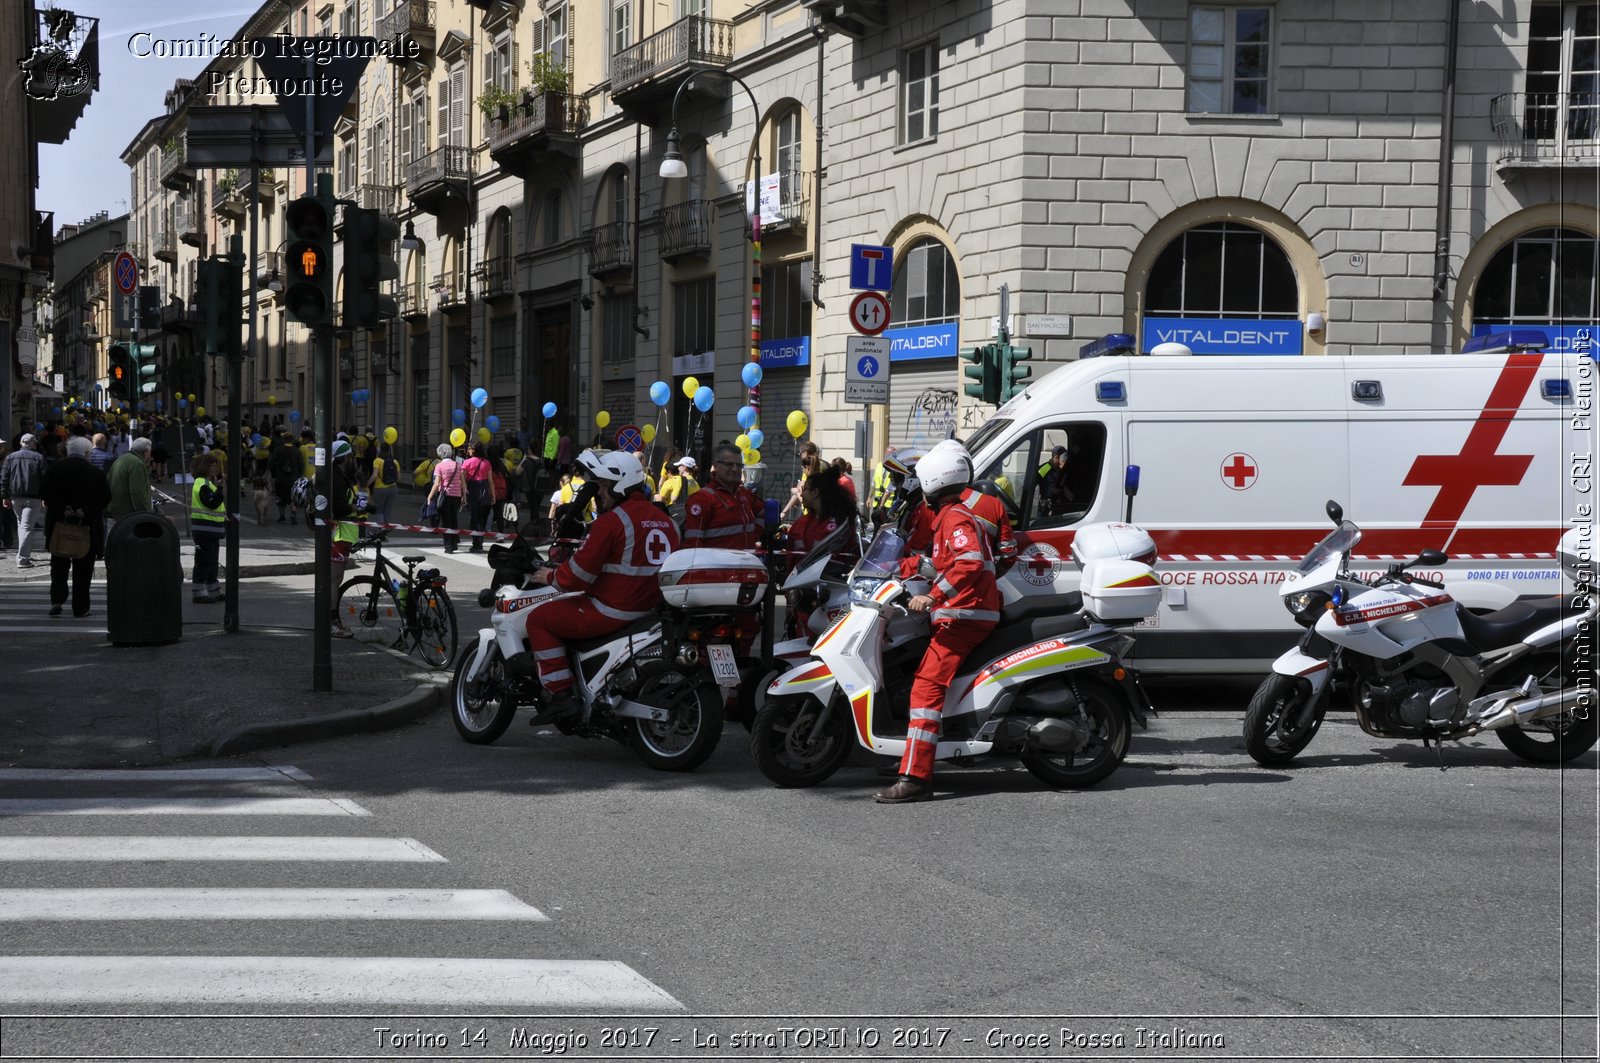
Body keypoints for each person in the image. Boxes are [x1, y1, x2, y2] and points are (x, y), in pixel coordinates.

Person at [507, 450, 679, 724]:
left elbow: (576, 576)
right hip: (650, 611)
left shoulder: (612, 521)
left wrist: (549, 577)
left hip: (612, 609)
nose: (598, 492)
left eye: (602, 485)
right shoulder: (669, 522)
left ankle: (562, 696)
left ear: (619, 484)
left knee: (539, 619)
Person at [876, 442, 1000, 804]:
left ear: (931, 481)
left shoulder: (956, 517)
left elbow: (969, 562)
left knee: (926, 690)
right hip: (960, 613)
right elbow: (935, 561)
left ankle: (916, 777)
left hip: (966, 615)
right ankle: (911, 757)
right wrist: (892, 568)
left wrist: (932, 596)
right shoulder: (950, 516)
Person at [39, 436, 111, 618]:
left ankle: (57, 600)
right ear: (87, 453)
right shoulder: (95, 473)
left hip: (59, 524)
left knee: (58, 565)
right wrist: (84, 511)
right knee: (83, 570)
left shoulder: (55, 469)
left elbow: (44, 492)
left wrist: (63, 508)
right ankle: (81, 607)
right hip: (85, 526)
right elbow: (105, 497)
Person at [683, 442, 764, 549]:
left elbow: (763, 512)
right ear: (715, 466)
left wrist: (753, 537)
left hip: (746, 563)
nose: (735, 469)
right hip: (717, 564)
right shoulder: (702, 499)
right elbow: (693, 545)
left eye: (739, 465)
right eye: (729, 464)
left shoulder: (744, 493)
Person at [326, 439, 363, 636]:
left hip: (343, 534)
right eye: (351, 456)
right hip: (338, 534)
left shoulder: (340, 475)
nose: (353, 460)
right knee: (334, 580)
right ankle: (331, 623)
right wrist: (355, 507)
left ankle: (331, 620)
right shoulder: (337, 478)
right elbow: (339, 506)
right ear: (345, 458)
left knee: (336, 579)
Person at [3, 433, 48, 568]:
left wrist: (4, 496)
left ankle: (24, 553)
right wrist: (45, 497)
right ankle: (23, 558)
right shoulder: (39, 457)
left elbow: (4, 478)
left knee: (21, 524)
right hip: (33, 497)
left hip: (15, 496)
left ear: (21, 443)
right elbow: (45, 479)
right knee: (26, 526)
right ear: (33, 443)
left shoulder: (10, 457)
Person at [188, 450, 228, 604]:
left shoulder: (207, 483)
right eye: (212, 466)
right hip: (205, 529)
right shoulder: (203, 484)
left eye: (216, 466)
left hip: (210, 530)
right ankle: (198, 593)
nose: (215, 469)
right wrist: (220, 490)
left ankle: (214, 590)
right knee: (204, 562)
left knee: (212, 562)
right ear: (204, 467)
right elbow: (212, 503)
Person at [426, 443, 465, 553]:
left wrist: (430, 496)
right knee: (454, 519)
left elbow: (437, 483)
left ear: (440, 454)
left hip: (445, 496)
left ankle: (448, 546)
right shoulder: (458, 465)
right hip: (457, 496)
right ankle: (454, 544)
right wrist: (464, 496)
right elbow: (463, 482)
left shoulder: (439, 466)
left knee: (446, 521)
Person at [461, 442, 493, 552]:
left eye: (470, 448)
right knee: (482, 518)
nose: (468, 450)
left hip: (473, 491)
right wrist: (493, 495)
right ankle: (480, 541)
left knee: (474, 518)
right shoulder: (487, 463)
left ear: (474, 450)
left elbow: (463, 480)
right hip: (484, 490)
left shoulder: (466, 463)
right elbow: (490, 481)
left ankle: (476, 543)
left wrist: (463, 494)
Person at [780, 443, 823, 521]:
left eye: (803, 468)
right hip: (809, 513)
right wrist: (784, 511)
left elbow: (807, 499)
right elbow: (800, 491)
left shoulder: (813, 479)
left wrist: (797, 492)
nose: (802, 470)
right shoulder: (815, 467)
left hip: (811, 515)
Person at [655, 455, 699, 525]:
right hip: (690, 516)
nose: (678, 468)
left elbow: (665, 499)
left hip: (675, 517)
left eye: (679, 465)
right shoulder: (695, 482)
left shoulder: (675, 480)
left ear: (684, 467)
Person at [268, 434, 300, 523]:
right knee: (293, 497)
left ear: (284, 440)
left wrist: (268, 472)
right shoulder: (296, 450)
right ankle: (293, 512)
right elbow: (301, 464)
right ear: (292, 440)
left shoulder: (278, 450)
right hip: (293, 478)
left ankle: (282, 516)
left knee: (280, 497)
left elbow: (272, 462)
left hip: (280, 478)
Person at [366, 438, 398, 528]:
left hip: (380, 489)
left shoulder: (377, 461)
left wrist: (366, 484)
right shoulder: (395, 461)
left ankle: (381, 531)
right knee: (387, 511)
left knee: (379, 510)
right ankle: (386, 531)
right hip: (393, 489)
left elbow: (375, 475)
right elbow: (398, 477)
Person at [1040, 444, 1073, 516]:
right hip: (1045, 506)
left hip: (1058, 505)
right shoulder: (1044, 468)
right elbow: (1034, 483)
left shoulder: (1062, 468)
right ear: (1056, 457)